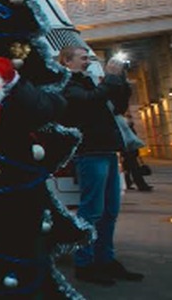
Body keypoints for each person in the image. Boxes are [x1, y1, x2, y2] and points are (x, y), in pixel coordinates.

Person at [58, 46, 143, 285]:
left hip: (107, 151)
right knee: (91, 211)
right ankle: (84, 263)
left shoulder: (90, 81)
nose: (88, 61)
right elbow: (88, 102)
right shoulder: (66, 83)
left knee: (109, 212)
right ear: (67, 61)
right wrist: (111, 80)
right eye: (83, 58)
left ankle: (106, 260)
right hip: (89, 153)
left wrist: (121, 81)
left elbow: (116, 107)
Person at [120, 111, 152, 192]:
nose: (131, 120)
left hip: (129, 151)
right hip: (129, 150)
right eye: (129, 118)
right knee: (134, 169)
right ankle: (141, 185)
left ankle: (128, 183)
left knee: (128, 168)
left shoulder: (128, 127)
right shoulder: (126, 127)